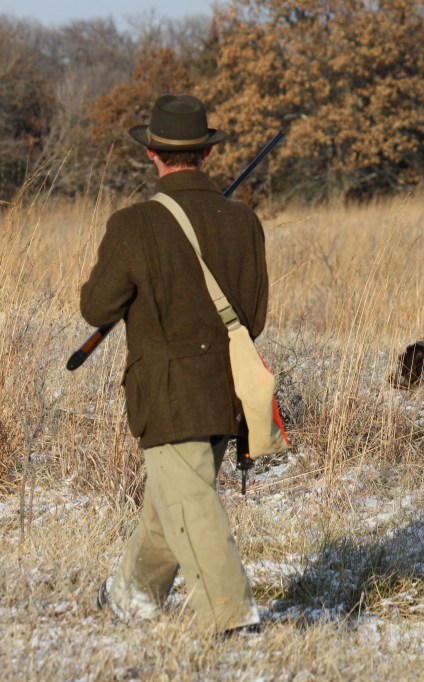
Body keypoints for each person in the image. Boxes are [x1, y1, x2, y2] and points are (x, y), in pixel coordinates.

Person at [80, 94, 268, 636]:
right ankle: (130, 595)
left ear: (153, 155)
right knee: (174, 499)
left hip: (166, 391)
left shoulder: (134, 224)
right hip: (225, 388)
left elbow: (97, 307)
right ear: (206, 154)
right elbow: (252, 316)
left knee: (188, 498)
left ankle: (230, 618)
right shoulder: (243, 221)